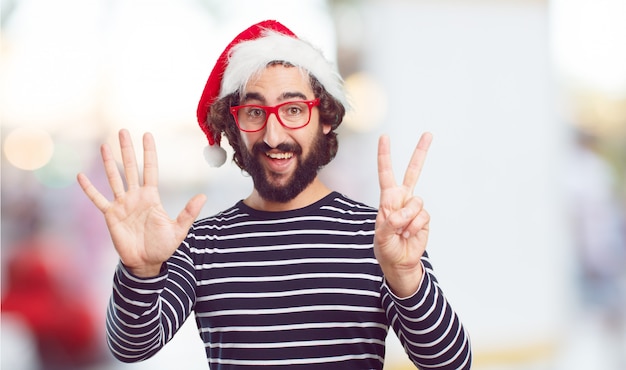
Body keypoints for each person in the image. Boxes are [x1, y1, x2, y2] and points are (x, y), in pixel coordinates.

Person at [77, 20, 472, 369]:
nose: (273, 135)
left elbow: (450, 364)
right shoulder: (200, 243)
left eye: (294, 110)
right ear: (232, 129)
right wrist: (141, 272)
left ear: (326, 119)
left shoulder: (380, 235)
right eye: (253, 112)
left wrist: (406, 276)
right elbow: (131, 348)